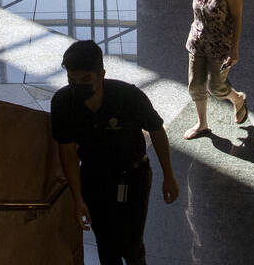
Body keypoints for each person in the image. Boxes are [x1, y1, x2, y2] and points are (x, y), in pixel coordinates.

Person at [52, 40, 179, 265]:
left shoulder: (127, 97)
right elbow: (68, 152)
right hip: (94, 179)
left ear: (101, 74)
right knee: (106, 244)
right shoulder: (63, 103)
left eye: (85, 80)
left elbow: (156, 130)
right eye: (72, 80)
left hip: (133, 176)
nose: (77, 86)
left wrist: (168, 176)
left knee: (132, 243)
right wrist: (77, 197)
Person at [183, 0, 248, 140]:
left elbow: (237, 18)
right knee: (195, 85)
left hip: (220, 45)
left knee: (216, 87)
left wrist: (234, 49)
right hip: (197, 40)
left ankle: (238, 99)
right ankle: (202, 124)